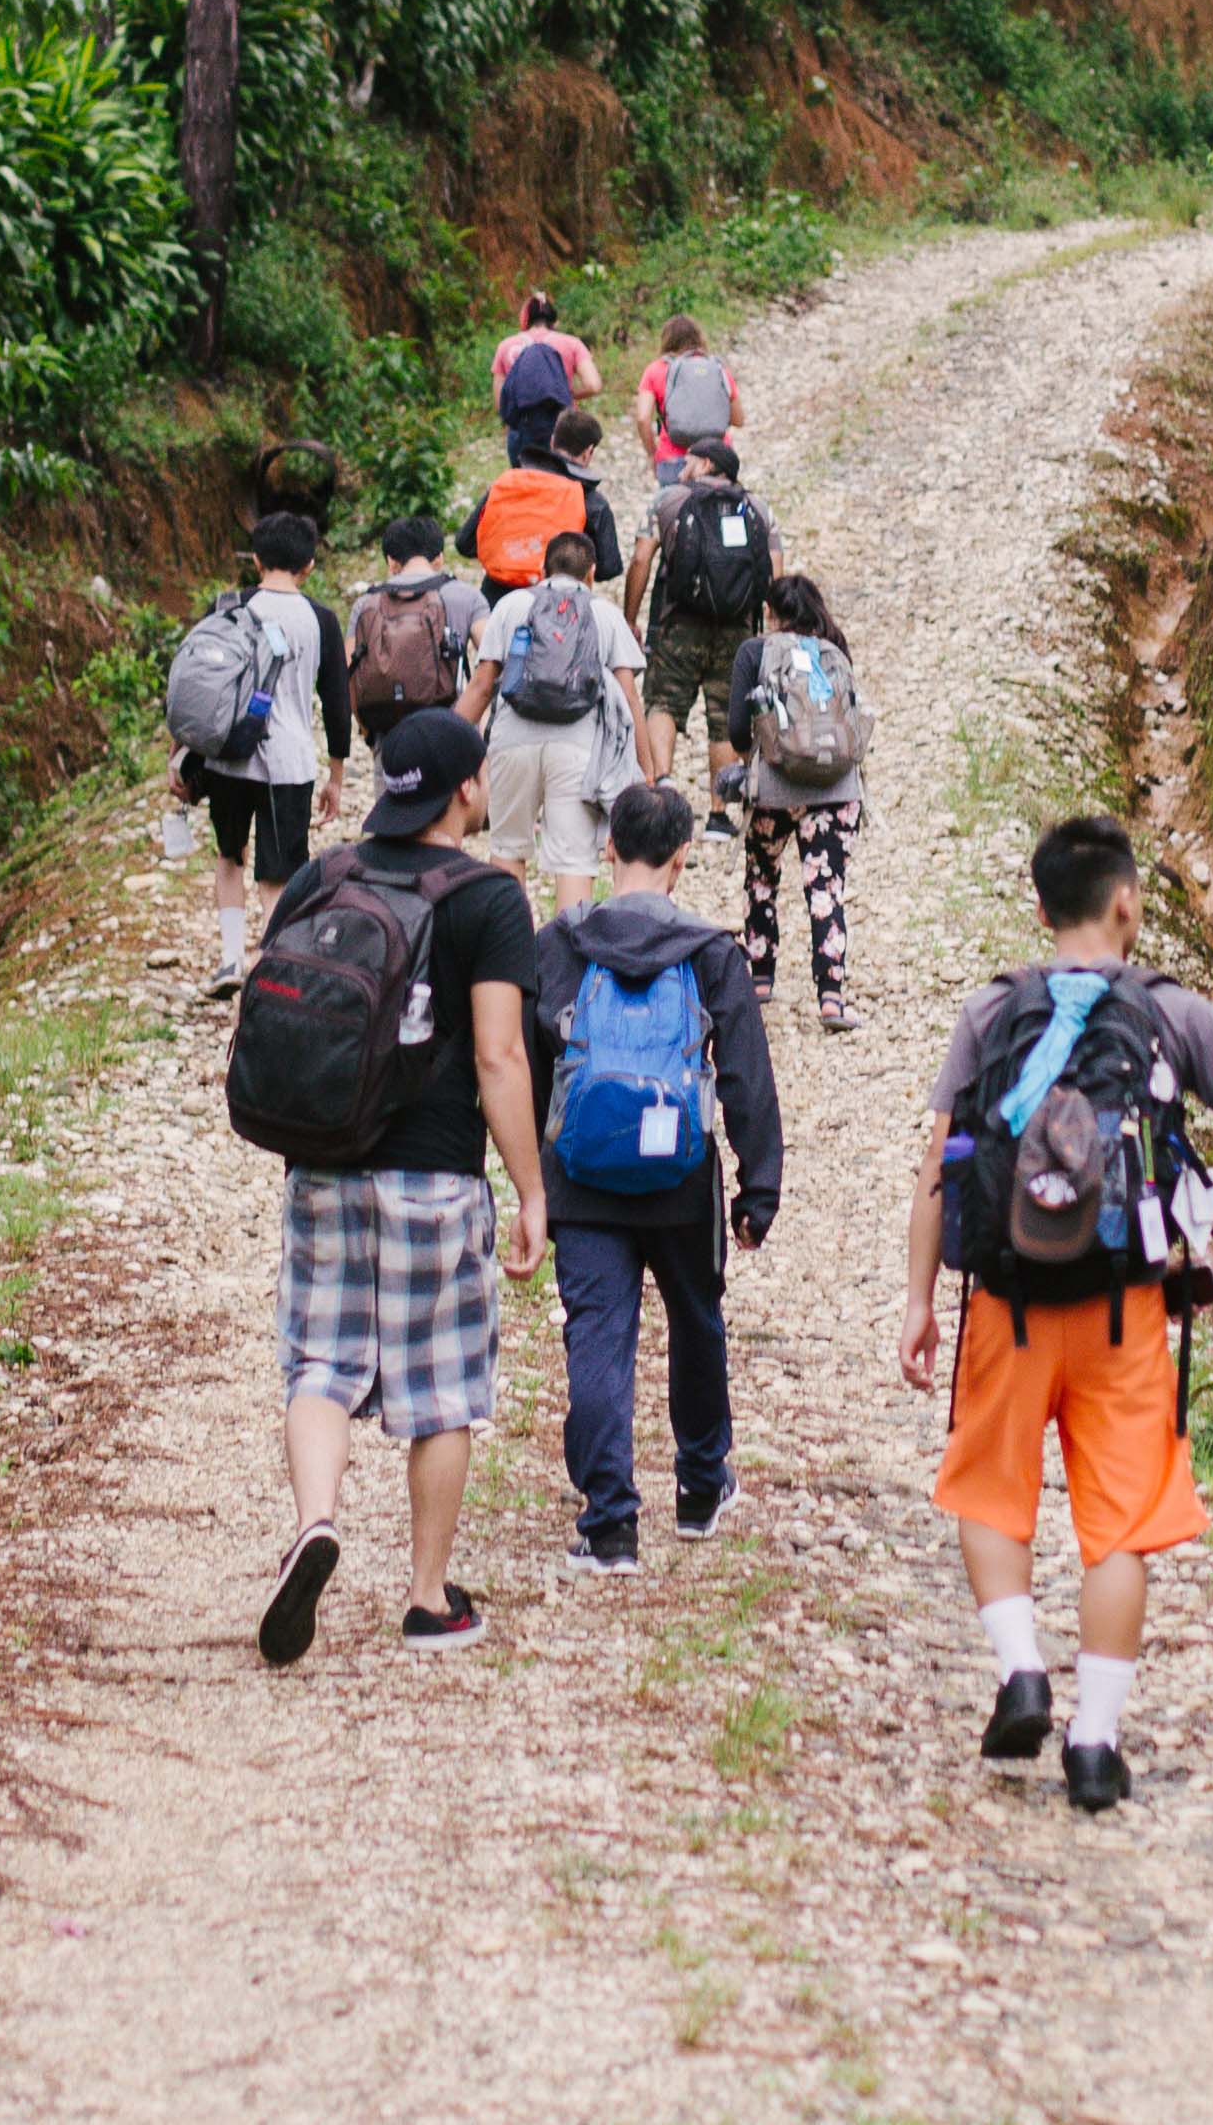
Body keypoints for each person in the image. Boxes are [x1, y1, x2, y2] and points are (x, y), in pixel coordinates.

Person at [895, 813, 1213, 1814]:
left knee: (990, 1491)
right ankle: (1094, 1740)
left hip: (1009, 1303)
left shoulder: (994, 1013)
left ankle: (1023, 1671)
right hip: (1127, 1305)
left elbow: (940, 1170)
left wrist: (918, 1300)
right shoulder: (1173, 1013)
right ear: (1128, 903)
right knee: (1116, 1525)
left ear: (1040, 909)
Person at [247, 710, 550, 1663]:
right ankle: (426, 1600)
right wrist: (532, 1191)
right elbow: (500, 1057)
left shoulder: (320, 875)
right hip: (434, 1176)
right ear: (466, 790)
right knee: (441, 1390)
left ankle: (317, 1522)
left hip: (324, 1164)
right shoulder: (489, 900)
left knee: (320, 1366)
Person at [522, 783, 778, 1572]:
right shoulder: (709, 951)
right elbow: (744, 1076)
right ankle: (701, 1487)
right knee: (697, 1324)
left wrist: (534, 1178)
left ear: (607, 849)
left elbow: (530, 1067)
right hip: (681, 1181)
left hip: (582, 1180)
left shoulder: (559, 944)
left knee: (597, 1336)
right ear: (682, 858)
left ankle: (610, 1527)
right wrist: (756, 1187)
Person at [173, 514, 349, 997]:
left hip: (227, 757)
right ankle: (267, 965)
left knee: (229, 854)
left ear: (255, 559)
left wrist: (180, 752)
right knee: (278, 871)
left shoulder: (226, 607)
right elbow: (337, 703)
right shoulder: (321, 620)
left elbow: (197, 686)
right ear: (309, 565)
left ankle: (229, 959)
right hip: (288, 764)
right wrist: (336, 775)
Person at [710, 566, 868, 1032]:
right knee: (825, 890)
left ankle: (760, 979)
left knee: (762, 878)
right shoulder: (834, 652)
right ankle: (832, 999)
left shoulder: (755, 651)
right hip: (837, 790)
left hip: (773, 790)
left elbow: (738, 732)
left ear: (770, 613)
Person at [461, 528, 645, 909]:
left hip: (512, 743)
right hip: (577, 748)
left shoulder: (511, 606)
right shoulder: (604, 614)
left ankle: (510, 956)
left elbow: (481, 686)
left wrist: (449, 749)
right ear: (591, 572)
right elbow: (629, 698)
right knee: (574, 859)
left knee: (508, 848)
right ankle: (568, 960)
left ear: (543, 569)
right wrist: (650, 771)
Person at [624, 437, 772, 798]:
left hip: (680, 622)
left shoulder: (669, 500)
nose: (681, 468)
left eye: (688, 461)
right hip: (737, 627)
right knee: (723, 716)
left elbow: (642, 558)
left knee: (664, 703)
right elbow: (774, 573)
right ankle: (720, 813)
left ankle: (662, 784)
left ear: (706, 464)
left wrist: (629, 618)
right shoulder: (757, 507)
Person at [337, 517, 488, 765]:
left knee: (394, 800)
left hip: (390, 730)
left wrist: (368, 731)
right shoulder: (467, 597)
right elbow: (493, 660)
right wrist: (470, 720)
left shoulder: (367, 604)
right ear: (439, 558)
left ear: (391, 562)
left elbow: (349, 673)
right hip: (451, 729)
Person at [464, 406, 624, 591]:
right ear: (588, 451)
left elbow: (464, 543)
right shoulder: (592, 502)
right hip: (556, 603)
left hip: (496, 597)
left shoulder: (509, 482)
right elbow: (609, 568)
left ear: (552, 440)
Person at [489, 290, 602, 468]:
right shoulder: (571, 343)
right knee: (561, 485)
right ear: (554, 321)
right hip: (562, 428)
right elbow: (593, 385)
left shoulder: (506, 346)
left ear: (527, 320)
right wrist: (568, 394)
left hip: (521, 427)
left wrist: (509, 425)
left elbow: (500, 399)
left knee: (524, 485)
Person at [635, 312, 742, 484]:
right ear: (699, 338)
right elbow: (738, 420)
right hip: (718, 458)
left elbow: (642, 418)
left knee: (673, 508)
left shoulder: (655, 370)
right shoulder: (716, 368)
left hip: (673, 459)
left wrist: (651, 453)